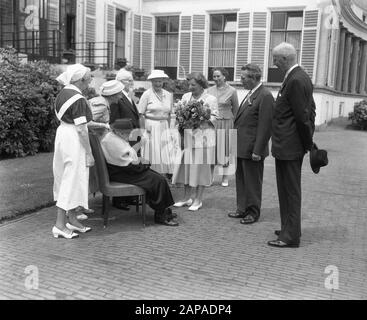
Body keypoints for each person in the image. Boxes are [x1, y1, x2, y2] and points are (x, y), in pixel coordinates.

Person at [268, 42, 316, 248]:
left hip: (290, 145)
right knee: (286, 189)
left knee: (290, 191)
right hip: (287, 144)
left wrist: (307, 143)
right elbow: (309, 109)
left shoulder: (296, 79)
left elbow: (303, 116)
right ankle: (289, 227)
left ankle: (290, 236)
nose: (274, 63)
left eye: (275, 59)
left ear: (285, 59)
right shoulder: (296, 77)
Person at [99, 118, 179, 227]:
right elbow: (126, 163)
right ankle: (161, 215)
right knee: (158, 181)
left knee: (157, 177)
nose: (128, 135)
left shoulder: (113, 137)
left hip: (124, 169)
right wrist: (142, 166)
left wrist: (142, 165)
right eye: (126, 133)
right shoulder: (112, 141)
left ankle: (163, 210)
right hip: (120, 172)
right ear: (118, 131)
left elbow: (126, 160)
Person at [227, 63, 274, 224]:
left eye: (243, 77)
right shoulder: (250, 94)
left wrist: (258, 150)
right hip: (241, 147)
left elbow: (265, 125)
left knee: (253, 182)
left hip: (252, 149)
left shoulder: (265, 96)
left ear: (254, 78)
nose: (241, 80)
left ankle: (253, 212)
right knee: (241, 180)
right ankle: (242, 208)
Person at [52, 64, 94, 239]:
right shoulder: (78, 99)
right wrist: (90, 153)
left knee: (64, 176)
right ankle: (60, 225)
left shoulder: (63, 93)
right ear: (81, 80)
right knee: (71, 179)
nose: (90, 81)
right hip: (74, 139)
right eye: (89, 78)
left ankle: (72, 220)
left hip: (62, 134)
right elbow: (82, 130)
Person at [172, 72, 219, 211]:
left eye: (193, 84)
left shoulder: (210, 98)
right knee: (186, 167)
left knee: (201, 168)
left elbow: (216, 116)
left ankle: (198, 199)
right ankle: (187, 198)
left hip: (204, 137)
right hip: (188, 136)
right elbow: (179, 114)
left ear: (201, 84)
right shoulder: (186, 96)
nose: (190, 87)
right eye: (189, 84)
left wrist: (202, 118)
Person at [110, 69, 142, 210]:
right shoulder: (117, 98)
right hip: (125, 137)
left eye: (131, 79)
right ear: (120, 82)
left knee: (134, 165)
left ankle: (130, 196)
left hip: (134, 137)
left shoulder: (128, 96)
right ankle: (119, 200)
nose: (131, 82)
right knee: (124, 166)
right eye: (128, 80)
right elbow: (115, 120)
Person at [138, 69, 174, 175]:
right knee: (153, 152)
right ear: (151, 81)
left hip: (164, 126)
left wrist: (170, 130)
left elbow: (170, 114)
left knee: (165, 152)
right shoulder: (146, 94)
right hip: (151, 126)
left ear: (163, 81)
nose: (158, 84)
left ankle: (163, 177)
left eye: (160, 81)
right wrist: (143, 131)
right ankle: (151, 175)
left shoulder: (168, 95)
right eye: (156, 81)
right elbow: (141, 114)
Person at [207, 67, 239, 187]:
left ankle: (225, 177)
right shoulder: (209, 90)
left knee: (225, 149)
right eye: (214, 76)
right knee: (211, 149)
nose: (216, 79)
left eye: (218, 76)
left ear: (224, 76)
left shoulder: (232, 90)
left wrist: (234, 125)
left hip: (226, 123)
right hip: (212, 123)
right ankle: (209, 177)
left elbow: (236, 110)